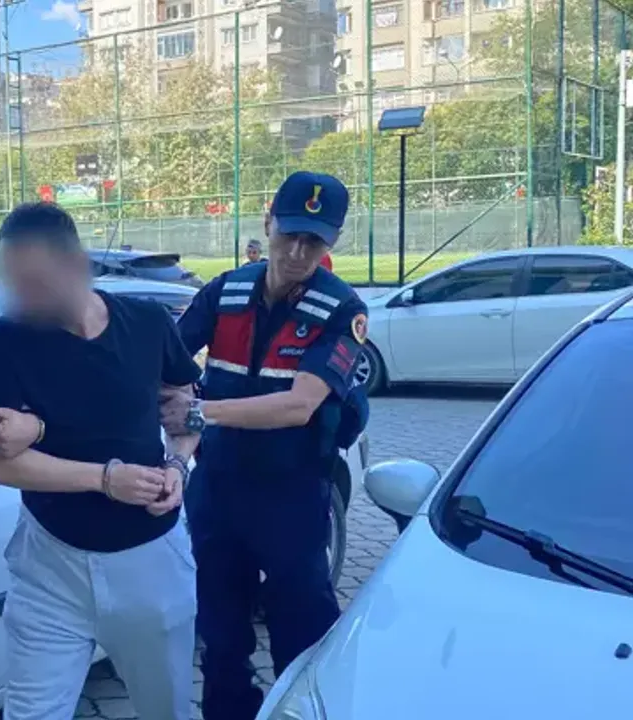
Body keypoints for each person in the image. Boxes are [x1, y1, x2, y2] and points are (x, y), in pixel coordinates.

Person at [0, 202, 204, 720]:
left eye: (34, 282)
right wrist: (105, 479)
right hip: (49, 567)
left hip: (151, 564)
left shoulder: (146, 323)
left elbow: (185, 412)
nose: (22, 297)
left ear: (75, 265)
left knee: (166, 710)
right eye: (14, 282)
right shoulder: (5, 341)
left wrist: (177, 465)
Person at [161, 170, 370, 720]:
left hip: (291, 498)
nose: (298, 252)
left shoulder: (342, 310)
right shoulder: (225, 291)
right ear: (267, 222)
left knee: (301, 642)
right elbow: (167, 359)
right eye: (289, 234)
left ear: (333, 241)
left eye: (314, 242)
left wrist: (200, 413)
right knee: (220, 640)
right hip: (218, 490)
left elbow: (299, 405)